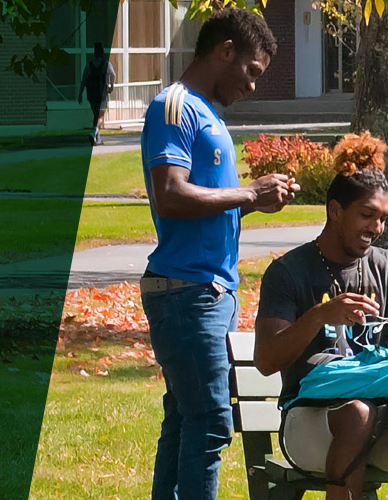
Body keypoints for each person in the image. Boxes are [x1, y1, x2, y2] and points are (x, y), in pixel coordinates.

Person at [139, 9, 295, 500]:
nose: (252, 86)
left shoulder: (210, 116)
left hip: (208, 292)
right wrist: (249, 192)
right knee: (209, 421)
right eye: (251, 71)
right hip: (187, 292)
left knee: (185, 418)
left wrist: (255, 201)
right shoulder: (175, 106)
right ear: (225, 50)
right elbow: (169, 195)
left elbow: (205, 211)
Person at [255, 132, 388, 500]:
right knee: (356, 413)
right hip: (309, 420)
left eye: (382, 218)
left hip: (381, 419)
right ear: (336, 210)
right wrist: (320, 315)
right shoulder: (288, 272)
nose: (377, 229)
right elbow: (267, 361)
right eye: (367, 215)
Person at [79, 42, 116, 145]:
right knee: (101, 117)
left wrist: (80, 93)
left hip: (91, 94)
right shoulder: (106, 64)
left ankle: (97, 140)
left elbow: (84, 80)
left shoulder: (89, 65)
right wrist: (111, 86)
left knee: (95, 116)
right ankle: (93, 132)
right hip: (102, 95)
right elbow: (113, 75)